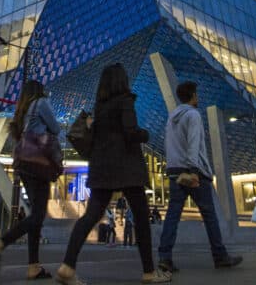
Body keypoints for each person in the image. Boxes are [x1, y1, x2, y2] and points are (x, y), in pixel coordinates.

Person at [55, 64, 170, 284]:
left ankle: (67, 266)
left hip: (101, 167)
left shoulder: (101, 107)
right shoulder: (125, 101)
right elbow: (130, 132)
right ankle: (149, 271)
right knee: (141, 217)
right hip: (126, 167)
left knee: (91, 216)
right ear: (122, 81)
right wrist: (145, 134)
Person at [156, 81, 242, 274]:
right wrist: (194, 169)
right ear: (193, 96)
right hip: (194, 171)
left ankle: (164, 257)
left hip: (175, 171)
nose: (198, 97)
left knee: (172, 215)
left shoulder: (172, 117)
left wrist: (173, 168)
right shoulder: (193, 115)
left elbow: (169, 145)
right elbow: (194, 142)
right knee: (209, 215)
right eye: (197, 94)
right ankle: (220, 256)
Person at [0, 80, 61, 280]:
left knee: (36, 215)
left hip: (24, 165)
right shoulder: (41, 103)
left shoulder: (23, 110)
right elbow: (56, 128)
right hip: (38, 164)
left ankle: (33, 266)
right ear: (39, 91)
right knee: (37, 215)